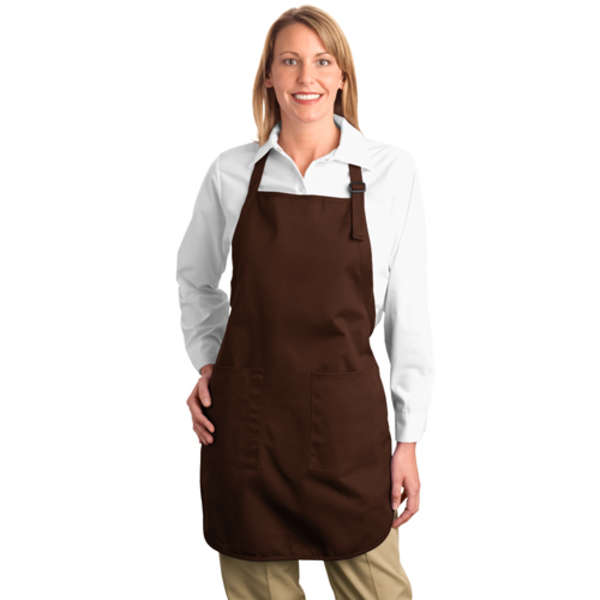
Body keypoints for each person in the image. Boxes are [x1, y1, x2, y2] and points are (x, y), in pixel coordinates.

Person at [175, 6, 434, 599]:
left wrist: (409, 439)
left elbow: (409, 313)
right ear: (268, 76)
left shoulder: (390, 172)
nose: (305, 77)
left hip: (347, 431)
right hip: (247, 428)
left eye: (321, 61)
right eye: (289, 61)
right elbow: (195, 278)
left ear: (342, 75)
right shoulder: (232, 172)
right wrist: (211, 362)